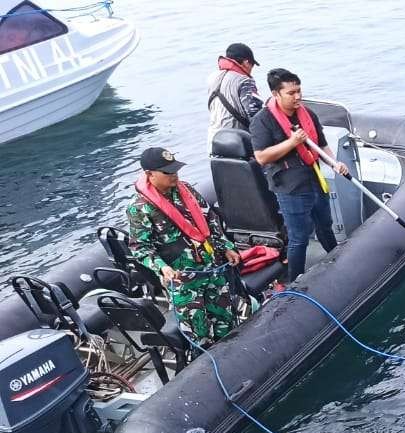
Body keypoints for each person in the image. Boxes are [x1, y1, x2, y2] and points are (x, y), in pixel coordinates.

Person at [126, 147, 243, 343]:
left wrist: (226, 246)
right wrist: (162, 268)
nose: (174, 175)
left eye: (175, 170)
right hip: (184, 280)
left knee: (226, 320)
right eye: (167, 172)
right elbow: (140, 247)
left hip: (212, 268)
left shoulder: (186, 190)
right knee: (198, 332)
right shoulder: (140, 209)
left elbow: (210, 219)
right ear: (149, 174)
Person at [248, 68, 348, 283]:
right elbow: (261, 157)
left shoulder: (307, 114)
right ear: (276, 94)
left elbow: (321, 145)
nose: (297, 97)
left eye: (299, 91)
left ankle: (336, 261)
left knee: (325, 225)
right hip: (290, 188)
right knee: (299, 238)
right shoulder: (262, 121)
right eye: (291, 93)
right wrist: (291, 143)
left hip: (314, 179)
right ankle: (296, 280)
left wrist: (335, 163)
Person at [206, 42, 264, 143]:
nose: (251, 70)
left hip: (214, 140)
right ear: (246, 62)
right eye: (252, 65)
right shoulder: (244, 81)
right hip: (237, 142)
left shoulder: (212, 77)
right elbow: (254, 114)